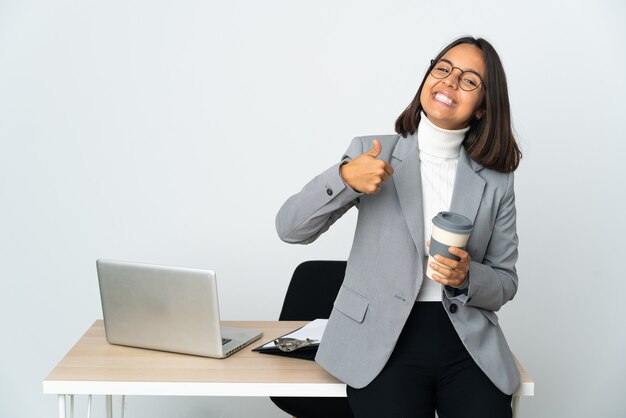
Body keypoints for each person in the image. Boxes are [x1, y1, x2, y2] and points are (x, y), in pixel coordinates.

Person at [276, 36, 522, 418]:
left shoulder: (496, 180)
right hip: (380, 340)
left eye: (470, 80)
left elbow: (506, 281)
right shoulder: (372, 151)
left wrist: (467, 276)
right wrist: (344, 179)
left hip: (464, 340)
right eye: (443, 68)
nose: (450, 81)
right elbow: (290, 229)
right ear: (428, 77)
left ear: (482, 108)